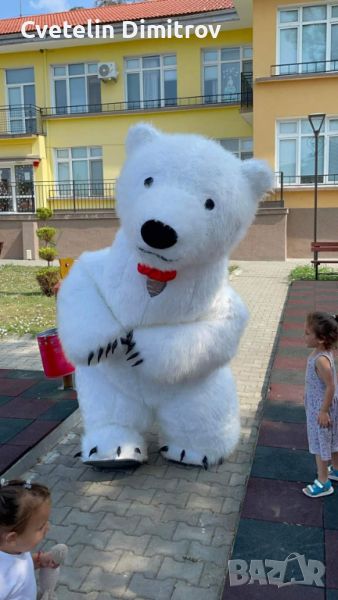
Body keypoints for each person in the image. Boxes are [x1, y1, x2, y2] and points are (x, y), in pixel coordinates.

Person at [0, 479, 67, 600]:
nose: (48, 528)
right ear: (12, 538)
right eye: (41, 527)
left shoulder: (16, 548)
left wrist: (37, 560)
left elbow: (18, 567)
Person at [302, 312, 338, 498]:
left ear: (321, 339)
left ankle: (324, 482)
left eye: (308, 333)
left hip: (322, 408)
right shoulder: (321, 352)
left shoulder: (321, 360)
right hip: (320, 404)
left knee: (319, 444)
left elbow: (331, 386)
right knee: (332, 440)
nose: (304, 336)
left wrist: (323, 411)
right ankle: (337, 469)